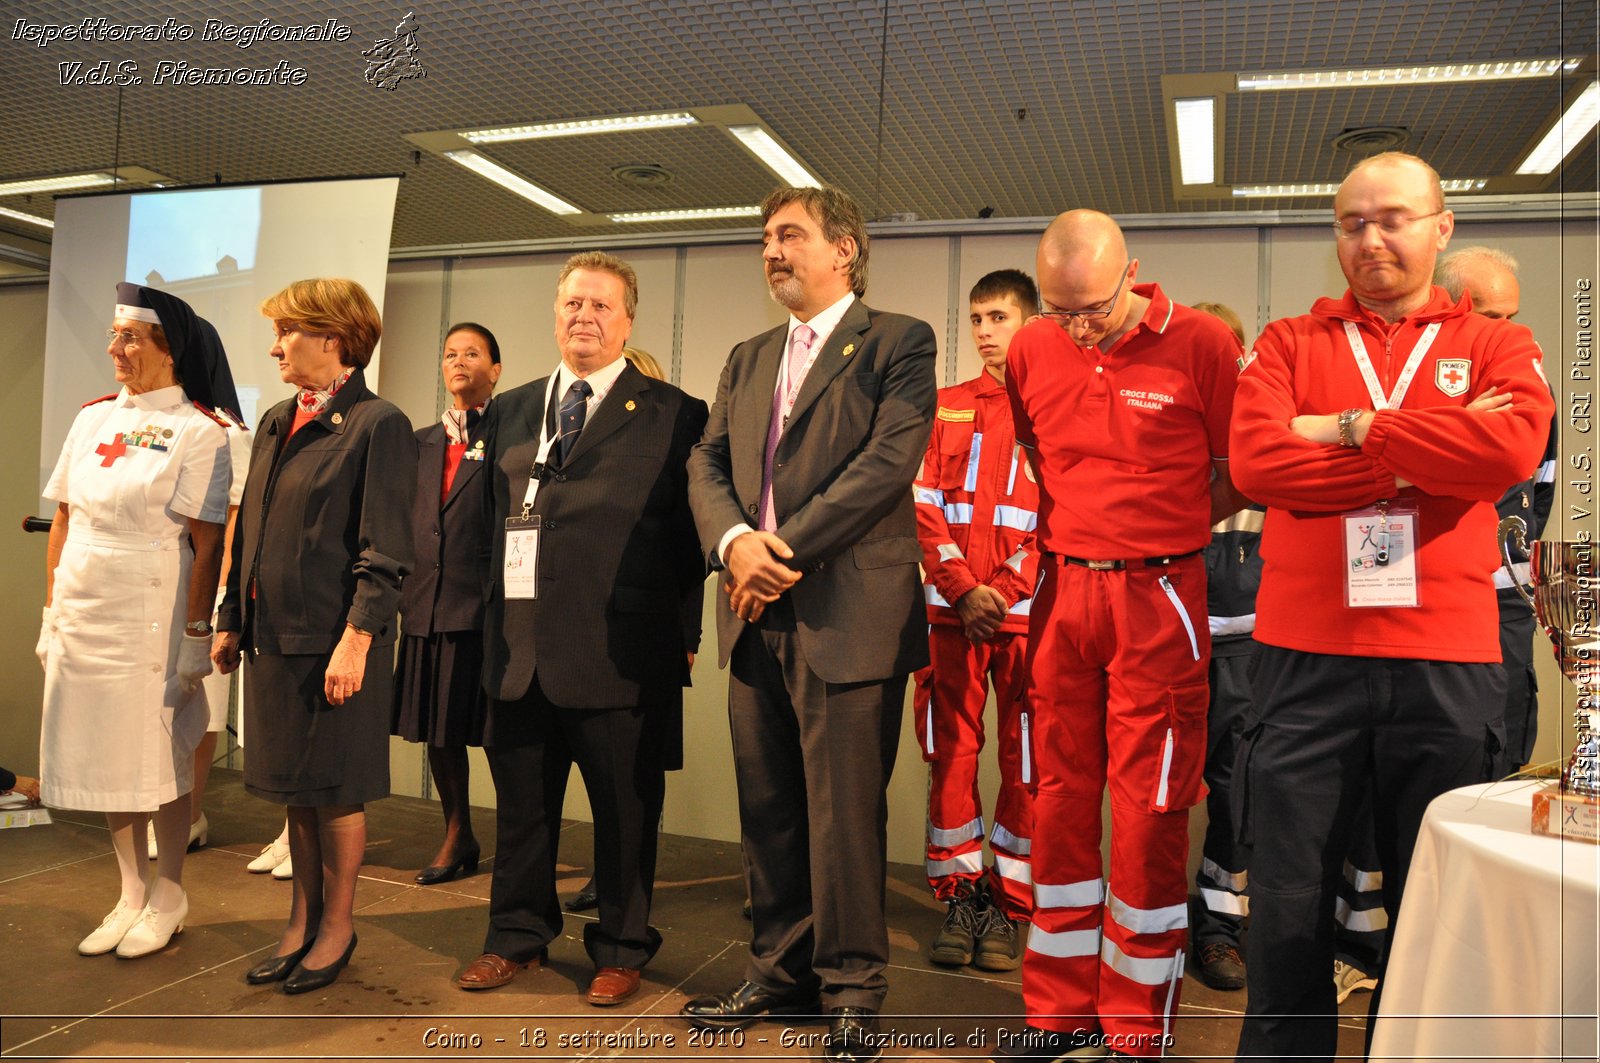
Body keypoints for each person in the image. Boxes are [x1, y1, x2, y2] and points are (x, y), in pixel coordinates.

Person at [1228, 152, 1555, 1062]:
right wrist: (1424, 458)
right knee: (1288, 906)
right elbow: (1257, 463)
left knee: (1436, 906)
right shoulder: (1290, 342)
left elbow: (1509, 452)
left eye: (1394, 218)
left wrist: (1352, 427)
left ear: (1441, 226)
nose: (1371, 238)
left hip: (1445, 662)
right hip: (1303, 659)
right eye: (1351, 222)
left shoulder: (1497, 343)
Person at [683, 185, 937, 1063]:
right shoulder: (748, 355)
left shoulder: (899, 342)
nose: (771, 250)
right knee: (772, 808)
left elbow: (885, 466)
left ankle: (855, 989)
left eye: (789, 234)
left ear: (845, 251)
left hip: (846, 610)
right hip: (754, 612)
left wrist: (771, 552)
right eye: (764, 238)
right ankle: (781, 969)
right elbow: (707, 460)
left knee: (843, 815)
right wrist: (729, 544)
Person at [998, 210, 1243, 1062]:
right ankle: (1056, 1015)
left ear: (1133, 271)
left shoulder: (1205, 343)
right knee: (1057, 799)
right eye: (1060, 311)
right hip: (1066, 591)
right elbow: (1036, 447)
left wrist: (1162, 528)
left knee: (1150, 813)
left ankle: (1135, 1030)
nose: (1077, 327)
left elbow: (1234, 470)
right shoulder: (1033, 346)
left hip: (1162, 593)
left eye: (1093, 309)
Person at [457, 252, 706, 1009]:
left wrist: (684, 636)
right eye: (571, 304)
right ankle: (516, 936)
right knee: (523, 811)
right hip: (519, 651)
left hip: (621, 655)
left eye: (600, 306)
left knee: (625, 817)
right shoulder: (512, 406)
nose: (583, 317)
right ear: (554, 312)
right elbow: (483, 529)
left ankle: (623, 947)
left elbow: (689, 546)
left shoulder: (674, 411)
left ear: (628, 320)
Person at [214, 278, 416, 995]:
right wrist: (232, 616)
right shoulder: (273, 418)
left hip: (335, 645)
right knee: (296, 794)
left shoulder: (378, 423)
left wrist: (358, 638)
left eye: (288, 333)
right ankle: (299, 923)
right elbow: (254, 531)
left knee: (334, 791)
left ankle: (337, 926)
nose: (275, 346)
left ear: (333, 339)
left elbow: (385, 546)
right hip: (275, 639)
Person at [39, 282, 236, 958]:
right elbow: (63, 518)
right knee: (102, 755)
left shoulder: (200, 430)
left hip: (150, 605)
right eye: (114, 333)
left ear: (168, 348)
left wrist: (194, 635)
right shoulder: (92, 418)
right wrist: (50, 611)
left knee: (157, 757)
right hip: (85, 602)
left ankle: (170, 891)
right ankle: (128, 891)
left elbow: (207, 544)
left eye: (129, 336)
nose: (113, 347)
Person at [912, 269, 1040, 973]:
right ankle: (958, 894)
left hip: (1022, 622)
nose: (985, 330)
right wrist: (964, 588)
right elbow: (921, 501)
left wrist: (1005, 590)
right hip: (952, 616)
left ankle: (1009, 902)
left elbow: (1059, 520)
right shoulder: (945, 406)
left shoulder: (1056, 408)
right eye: (977, 318)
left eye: (998, 316)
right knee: (951, 757)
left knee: (1026, 763)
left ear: (1031, 322)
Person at [1435, 246, 1558, 773]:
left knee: (1502, 741)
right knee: (1425, 746)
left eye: (1513, 317)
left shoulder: (1531, 384)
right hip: (1425, 594)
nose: (1507, 331)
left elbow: (1543, 484)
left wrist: (1510, 546)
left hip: (1503, 598)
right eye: (1490, 318)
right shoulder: (1413, 379)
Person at [392, 322, 502, 886]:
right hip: (426, 606)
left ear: (496, 370)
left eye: (473, 353)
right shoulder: (418, 442)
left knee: (500, 733)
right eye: (450, 353)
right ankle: (458, 831)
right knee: (440, 731)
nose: (459, 362)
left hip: (486, 610)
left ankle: (520, 839)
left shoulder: (510, 434)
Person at [565, 342, 668, 915]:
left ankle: (622, 890)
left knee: (633, 783)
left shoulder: (669, 426)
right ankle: (606, 879)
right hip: (584, 631)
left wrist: (688, 641)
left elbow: (680, 552)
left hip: (646, 638)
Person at [1185, 301, 1259, 994]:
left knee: (1238, 796)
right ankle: (1143, 919)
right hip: (1165, 641)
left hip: (1244, 648)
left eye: (1228, 353)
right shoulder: (1162, 421)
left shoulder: (1264, 425)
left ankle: (1218, 927)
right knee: (1154, 791)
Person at [148, 408, 250, 862]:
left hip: (208, 586)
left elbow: (235, 520)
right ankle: (176, 814)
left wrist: (222, 591)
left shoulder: (227, 432)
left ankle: (189, 816)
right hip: (159, 584)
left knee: (200, 701)